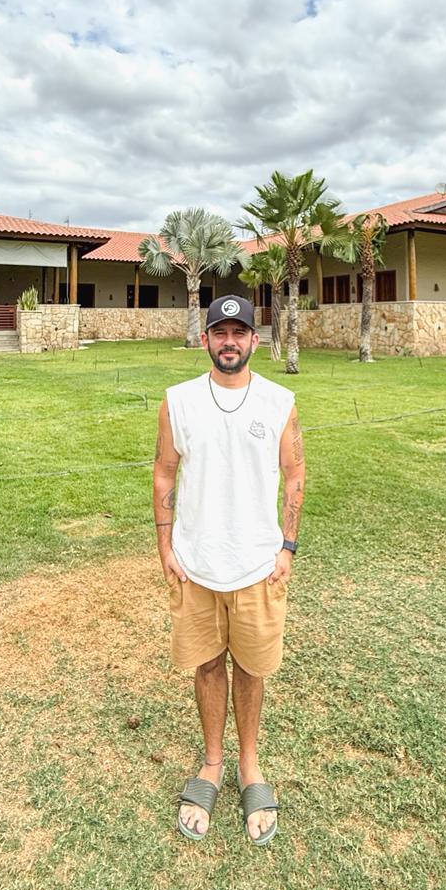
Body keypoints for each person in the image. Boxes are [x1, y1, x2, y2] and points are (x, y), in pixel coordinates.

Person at [153, 295, 305, 844]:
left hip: (258, 565)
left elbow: (294, 475)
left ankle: (249, 766)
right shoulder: (179, 401)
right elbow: (165, 473)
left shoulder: (279, 401)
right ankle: (213, 763)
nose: (230, 342)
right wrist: (166, 545)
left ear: (254, 342)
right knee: (208, 665)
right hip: (195, 565)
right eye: (221, 332)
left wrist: (287, 546)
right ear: (206, 340)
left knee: (253, 668)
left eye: (240, 333)